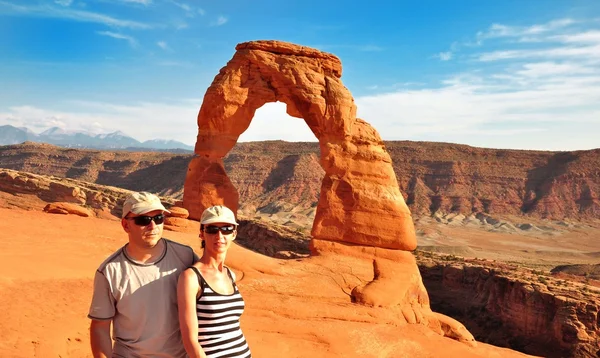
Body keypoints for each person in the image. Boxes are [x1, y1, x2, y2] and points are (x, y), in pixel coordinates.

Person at [88, 191, 198, 358]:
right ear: (126, 225)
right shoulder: (110, 271)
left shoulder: (185, 256)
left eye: (159, 218)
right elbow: (100, 328)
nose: (153, 226)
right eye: (143, 220)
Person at [177, 205, 251, 358]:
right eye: (212, 229)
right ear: (202, 234)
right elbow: (190, 341)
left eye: (226, 229)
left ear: (234, 234)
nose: (219, 235)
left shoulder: (230, 274)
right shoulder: (191, 278)